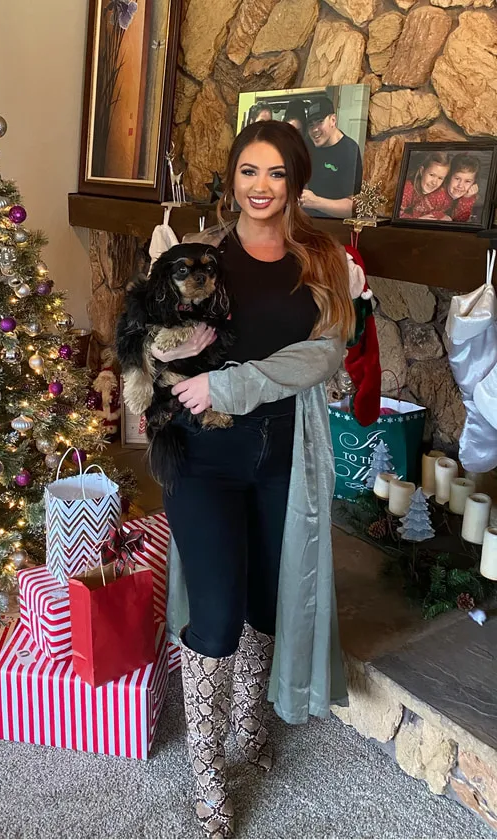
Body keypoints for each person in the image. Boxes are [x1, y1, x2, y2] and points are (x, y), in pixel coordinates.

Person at [150, 121, 355, 838]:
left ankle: (250, 723)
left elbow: (327, 353)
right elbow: (152, 347)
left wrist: (234, 384)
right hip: (203, 458)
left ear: (296, 182)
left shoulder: (323, 256)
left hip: (284, 454)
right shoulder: (194, 255)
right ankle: (208, 771)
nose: (260, 187)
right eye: (247, 171)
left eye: (275, 173)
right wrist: (177, 351)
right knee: (214, 610)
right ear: (231, 176)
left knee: (266, 598)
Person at [300, 95, 363, 218]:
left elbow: (352, 207)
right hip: (306, 222)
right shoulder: (308, 143)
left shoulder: (349, 150)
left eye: (320, 122)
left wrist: (315, 202)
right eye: (311, 125)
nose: (315, 130)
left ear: (333, 120)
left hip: (336, 226)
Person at [398, 151, 451, 219]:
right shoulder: (407, 188)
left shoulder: (441, 193)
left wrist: (443, 216)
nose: (434, 182)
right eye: (431, 175)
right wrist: (418, 220)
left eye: (440, 178)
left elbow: (443, 212)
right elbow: (398, 215)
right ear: (422, 171)